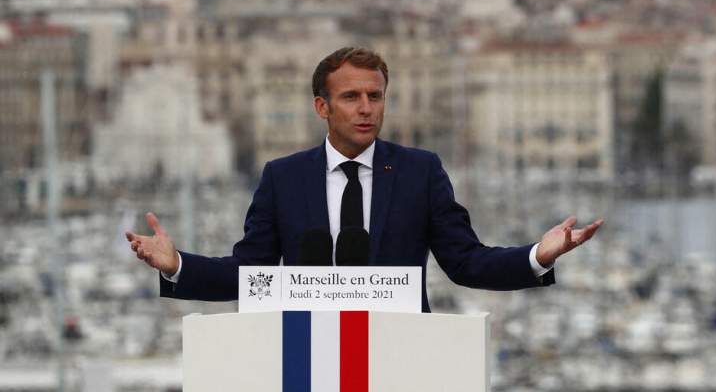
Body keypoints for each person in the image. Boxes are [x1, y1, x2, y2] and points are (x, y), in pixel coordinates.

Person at [126, 47, 602, 311]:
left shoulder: (421, 171)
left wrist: (538, 256)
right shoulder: (283, 178)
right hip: (306, 358)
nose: (366, 107)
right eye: (351, 96)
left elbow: (466, 263)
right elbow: (252, 273)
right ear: (322, 107)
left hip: (400, 357)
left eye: (375, 95)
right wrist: (177, 266)